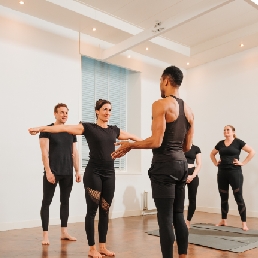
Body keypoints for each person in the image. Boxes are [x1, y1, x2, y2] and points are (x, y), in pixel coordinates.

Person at [29, 99, 142, 258]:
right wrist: (39, 128)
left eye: (109, 110)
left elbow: (133, 137)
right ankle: (91, 248)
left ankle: (102, 247)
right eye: (104, 109)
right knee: (92, 210)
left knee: (105, 209)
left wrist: (153, 142)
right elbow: (62, 128)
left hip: (110, 174)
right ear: (97, 111)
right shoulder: (88, 127)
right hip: (94, 173)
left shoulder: (114, 130)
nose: (107, 112)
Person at [112, 66, 194, 258]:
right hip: (182, 165)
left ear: (166, 80)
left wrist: (130, 145)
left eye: (159, 81)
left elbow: (156, 141)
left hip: (164, 166)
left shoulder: (161, 104)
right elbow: (187, 147)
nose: (160, 84)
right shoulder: (189, 110)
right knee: (178, 216)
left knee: (165, 217)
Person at [32, 103, 81, 245]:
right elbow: (44, 152)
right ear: (55, 114)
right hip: (53, 172)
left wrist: (77, 170)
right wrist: (48, 171)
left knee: (65, 202)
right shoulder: (47, 130)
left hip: (67, 173)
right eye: (61, 112)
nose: (64, 114)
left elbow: (75, 152)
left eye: (66, 112)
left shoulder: (71, 131)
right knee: (46, 202)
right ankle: (45, 235)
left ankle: (64, 232)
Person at [210, 125, 255, 231]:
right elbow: (212, 154)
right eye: (224, 130)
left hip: (235, 173)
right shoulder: (220, 143)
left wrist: (243, 163)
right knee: (223, 197)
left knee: (238, 197)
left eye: (228, 130)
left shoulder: (238, 142)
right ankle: (223, 220)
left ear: (233, 132)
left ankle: (244, 223)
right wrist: (216, 163)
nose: (226, 131)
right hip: (222, 173)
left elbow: (252, 151)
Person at [184, 144, 201, 229]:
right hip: (181, 173)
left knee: (192, 199)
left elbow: (199, 164)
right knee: (177, 198)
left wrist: (192, 176)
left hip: (192, 174)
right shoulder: (179, 146)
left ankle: (188, 221)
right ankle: (176, 220)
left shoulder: (196, 148)